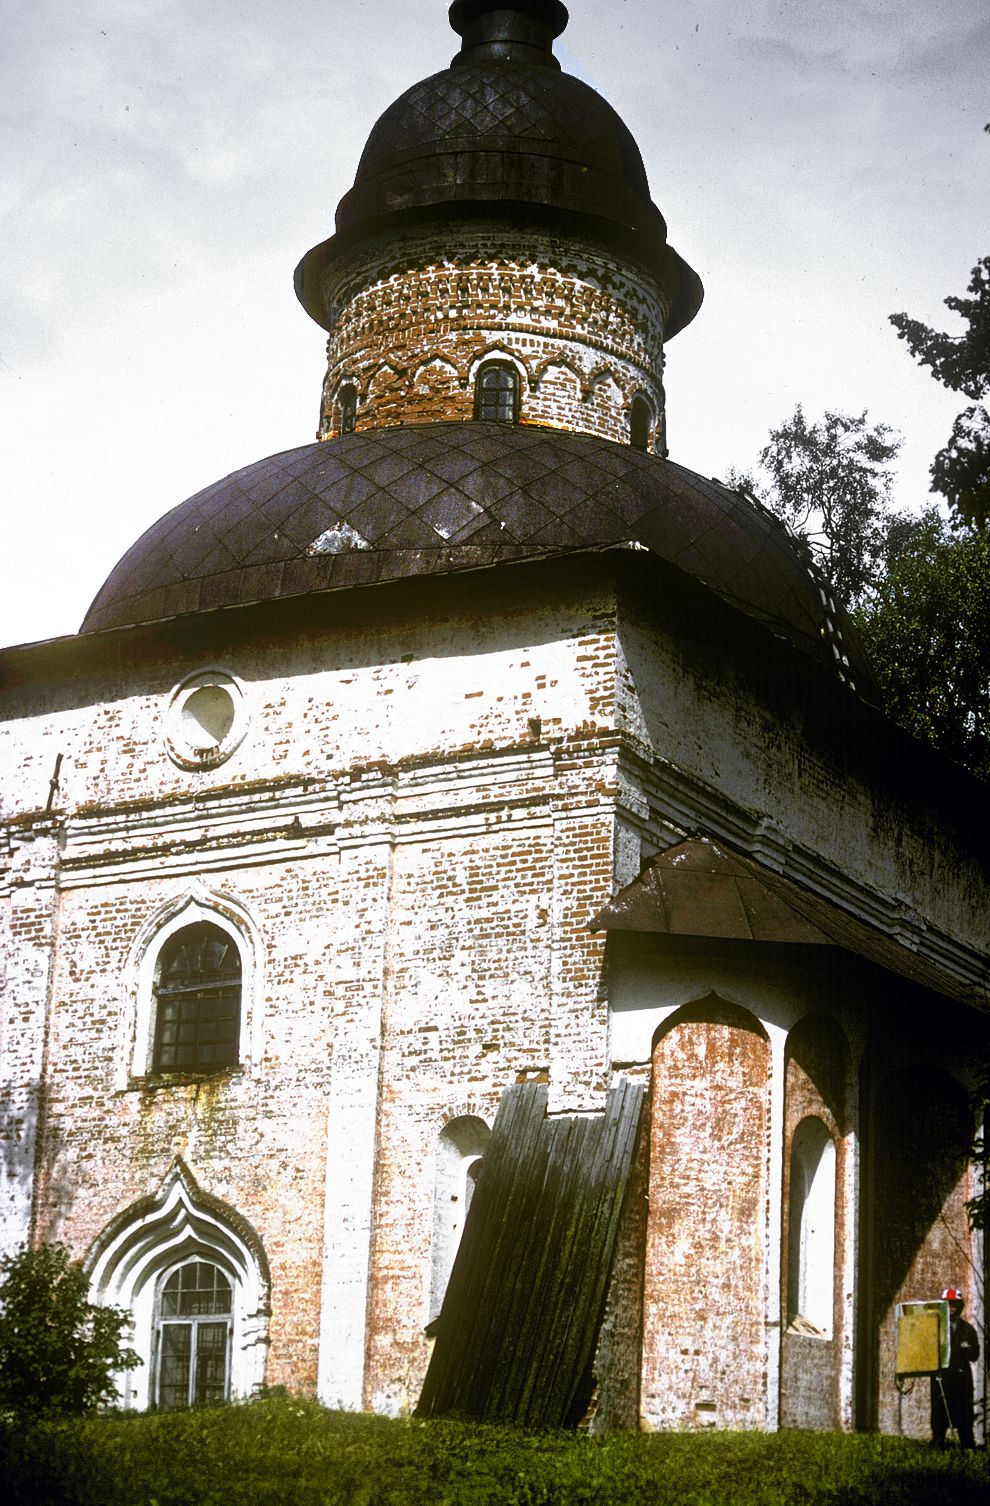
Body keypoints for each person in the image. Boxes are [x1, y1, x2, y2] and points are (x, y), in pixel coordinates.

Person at [931, 1287, 980, 1449]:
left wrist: (966, 1349)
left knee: (964, 1412)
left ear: (960, 1307)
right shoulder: (934, 1329)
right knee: (939, 1411)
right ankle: (938, 1443)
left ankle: (967, 1445)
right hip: (941, 1377)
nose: (951, 1308)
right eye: (948, 1304)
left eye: (954, 1305)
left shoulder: (968, 1330)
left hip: (962, 1378)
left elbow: (975, 1355)